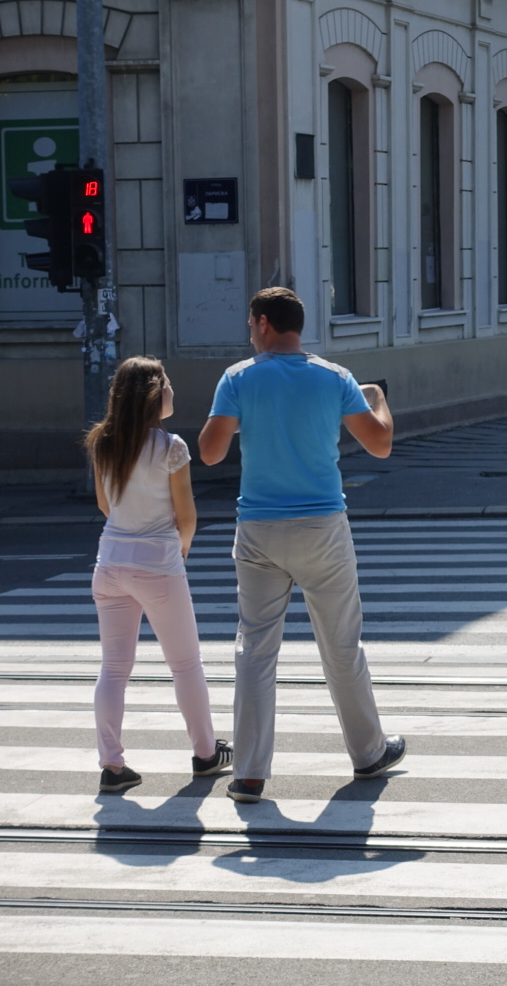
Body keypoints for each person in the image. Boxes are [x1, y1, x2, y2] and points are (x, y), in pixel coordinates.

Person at [198, 287, 403, 804]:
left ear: (265, 323)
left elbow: (209, 453)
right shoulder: (334, 378)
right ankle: (369, 753)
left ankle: (248, 774)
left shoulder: (239, 378)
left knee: (255, 649)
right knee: (340, 645)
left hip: (259, 528)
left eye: (250, 323)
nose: (249, 332)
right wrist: (377, 399)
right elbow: (380, 445)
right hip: (322, 527)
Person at [86, 356, 230, 795]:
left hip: (109, 564)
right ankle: (206, 754)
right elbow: (186, 515)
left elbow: (104, 506)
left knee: (113, 668)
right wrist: (180, 547)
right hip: (158, 564)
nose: (173, 391)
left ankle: (112, 765)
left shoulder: (103, 443)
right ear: (153, 394)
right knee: (186, 664)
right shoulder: (171, 447)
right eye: (167, 384)